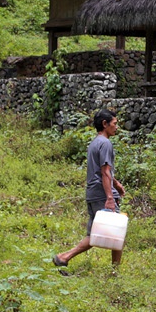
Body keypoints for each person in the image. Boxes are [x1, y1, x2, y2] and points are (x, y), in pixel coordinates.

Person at [52, 108, 126, 271]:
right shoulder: (106, 143)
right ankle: (115, 272)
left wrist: (116, 184)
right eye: (114, 124)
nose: (117, 127)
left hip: (93, 193)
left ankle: (63, 258)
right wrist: (110, 198)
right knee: (117, 234)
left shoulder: (95, 143)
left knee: (94, 235)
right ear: (105, 124)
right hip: (102, 195)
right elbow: (105, 172)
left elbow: (103, 171)